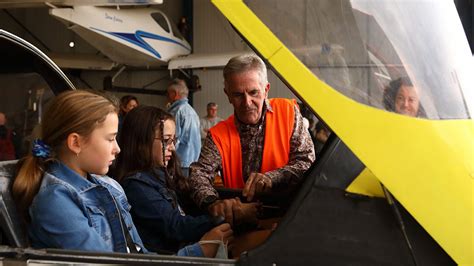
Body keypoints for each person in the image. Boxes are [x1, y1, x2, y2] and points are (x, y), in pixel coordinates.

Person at [11, 90, 148, 253]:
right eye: (111, 139)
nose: (117, 149)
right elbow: (103, 262)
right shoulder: (55, 201)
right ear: (76, 142)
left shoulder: (108, 185)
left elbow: (140, 254)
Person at [189, 54, 315, 222]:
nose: (247, 102)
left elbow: (306, 162)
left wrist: (272, 178)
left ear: (266, 89)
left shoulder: (289, 113)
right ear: (228, 95)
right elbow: (199, 174)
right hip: (242, 223)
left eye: (253, 92)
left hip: (288, 218)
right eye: (238, 95)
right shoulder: (218, 135)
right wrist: (213, 203)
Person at [115, 106, 233, 257]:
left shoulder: (161, 174)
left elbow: (188, 204)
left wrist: (221, 207)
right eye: (166, 140)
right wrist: (225, 217)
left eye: (174, 140)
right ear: (141, 142)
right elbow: (175, 226)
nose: (172, 147)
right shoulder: (136, 186)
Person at [166, 79, 201, 176]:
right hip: (192, 161)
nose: (167, 96)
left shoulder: (177, 112)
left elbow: (173, 138)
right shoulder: (191, 111)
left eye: (168, 93)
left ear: (174, 94)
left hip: (180, 162)